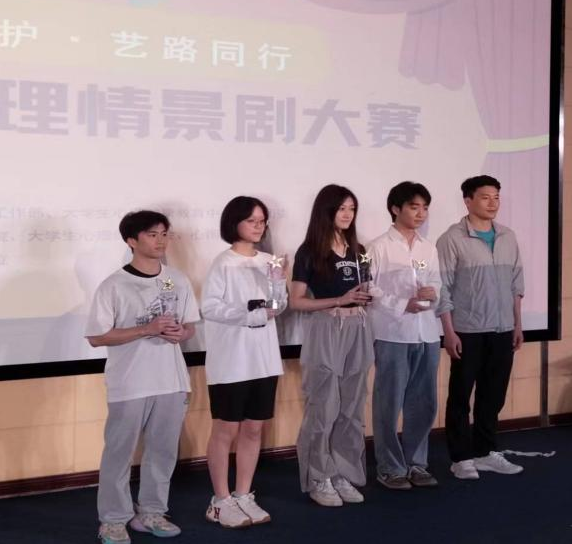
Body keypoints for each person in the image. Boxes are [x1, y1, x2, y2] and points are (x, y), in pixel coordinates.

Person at [85, 210, 199, 544]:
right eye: (152, 234)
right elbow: (96, 336)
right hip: (130, 382)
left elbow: (189, 324)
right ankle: (113, 519)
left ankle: (151, 511)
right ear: (131, 241)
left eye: (164, 234)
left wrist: (180, 332)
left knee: (163, 451)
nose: (161, 241)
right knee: (119, 453)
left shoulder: (173, 280)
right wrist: (146, 329)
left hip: (171, 380)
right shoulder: (114, 285)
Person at [201, 196, 288, 529]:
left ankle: (243, 494)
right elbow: (210, 308)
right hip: (231, 360)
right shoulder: (222, 263)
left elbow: (279, 305)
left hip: (264, 359)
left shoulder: (268, 260)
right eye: (251, 220)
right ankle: (220, 500)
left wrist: (277, 283)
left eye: (262, 221)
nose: (258, 226)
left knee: (254, 428)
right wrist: (251, 315)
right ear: (234, 222)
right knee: (227, 430)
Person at [436, 175, 525, 481]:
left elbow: (516, 285)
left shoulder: (508, 236)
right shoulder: (452, 238)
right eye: (485, 197)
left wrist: (517, 324)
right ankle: (460, 458)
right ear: (468, 200)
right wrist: (449, 332)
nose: (492, 203)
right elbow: (442, 288)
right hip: (467, 330)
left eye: (496, 197)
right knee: (461, 396)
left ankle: (485, 452)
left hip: (502, 329)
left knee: (493, 395)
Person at [290, 184, 374, 507]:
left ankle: (343, 472)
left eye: (352, 209)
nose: (348, 214)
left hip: (358, 326)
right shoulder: (309, 251)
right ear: (326, 211)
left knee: (352, 405)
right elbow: (297, 301)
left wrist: (368, 295)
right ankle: (318, 476)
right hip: (326, 326)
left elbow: (364, 286)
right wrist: (339, 299)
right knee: (323, 405)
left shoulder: (358, 249)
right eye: (341, 208)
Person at [367, 181, 441, 490]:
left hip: (427, 333)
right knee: (389, 403)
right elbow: (368, 288)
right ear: (396, 209)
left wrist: (432, 293)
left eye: (425, 208)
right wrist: (401, 304)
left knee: (424, 403)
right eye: (414, 207)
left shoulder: (428, 247)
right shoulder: (376, 247)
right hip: (392, 334)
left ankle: (416, 463)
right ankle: (389, 467)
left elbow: (437, 282)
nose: (421, 213)